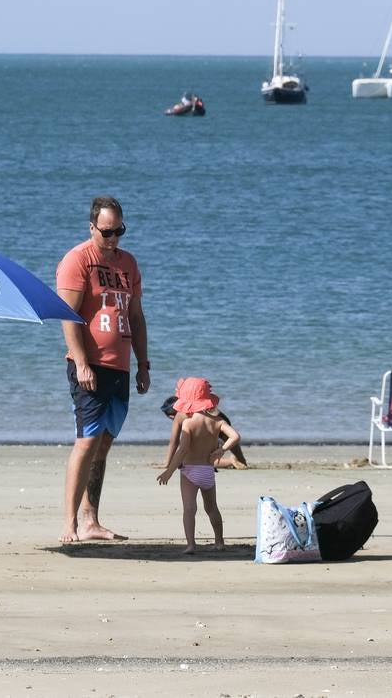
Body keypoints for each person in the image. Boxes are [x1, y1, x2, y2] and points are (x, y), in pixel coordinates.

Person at [56, 195, 150, 543]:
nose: (113, 240)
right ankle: (70, 524)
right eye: (107, 232)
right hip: (89, 366)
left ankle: (91, 519)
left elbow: (137, 317)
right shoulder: (78, 260)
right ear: (92, 227)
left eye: (119, 232)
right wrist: (81, 362)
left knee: (105, 443)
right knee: (86, 441)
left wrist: (143, 364)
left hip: (120, 367)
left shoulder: (128, 263)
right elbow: (68, 316)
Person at [156, 377, 240, 554]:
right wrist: (221, 450)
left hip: (189, 471)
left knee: (189, 509)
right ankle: (219, 541)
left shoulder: (188, 422)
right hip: (208, 471)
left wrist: (169, 471)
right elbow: (235, 436)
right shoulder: (216, 421)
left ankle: (191, 545)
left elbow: (182, 450)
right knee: (212, 508)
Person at [162, 393, 248, 469]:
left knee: (200, 459)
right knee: (227, 439)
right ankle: (241, 460)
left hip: (206, 430)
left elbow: (174, 442)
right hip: (220, 419)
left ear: (171, 417)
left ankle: (229, 461)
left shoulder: (179, 415)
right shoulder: (196, 405)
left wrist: (168, 464)